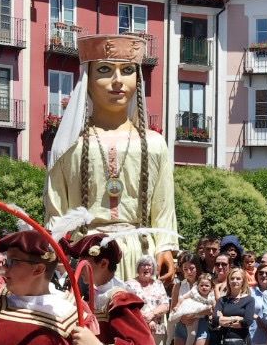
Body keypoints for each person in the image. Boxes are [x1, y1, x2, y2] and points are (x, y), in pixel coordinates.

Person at [44, 33, 178, 282]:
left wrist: (165, 247)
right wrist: (61, 256)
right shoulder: (70, 146)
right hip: (86, 256)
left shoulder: (154, 144)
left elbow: (164, 207)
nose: (118, 81)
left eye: (127, 70)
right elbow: (56, 211)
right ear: (89, 79)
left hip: (140, 256)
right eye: (105, 70)